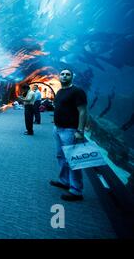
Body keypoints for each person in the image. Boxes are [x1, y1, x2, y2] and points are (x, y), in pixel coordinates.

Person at [50, 68, 88, 201]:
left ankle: (76, 190)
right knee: (60, 156)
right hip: (58, 128)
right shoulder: (60, 91)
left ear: (72, 77)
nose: (65, 76)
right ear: (59, 76)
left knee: (73, 159)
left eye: (68, 74)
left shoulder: (77, 92)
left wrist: (80, 131)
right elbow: (59, 107)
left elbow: (83, 112)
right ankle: (64, 181)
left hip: (70, 130)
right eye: (62, 74)